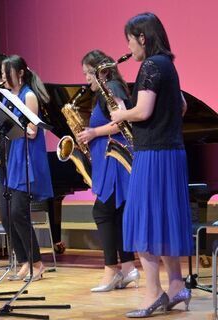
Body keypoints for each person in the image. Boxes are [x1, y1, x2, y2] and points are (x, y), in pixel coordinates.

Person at [110, 13, 193, 317]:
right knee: (165, 222)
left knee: (141, 221)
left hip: (152, 155)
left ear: (141, 38)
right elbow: (182, 106)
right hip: (172, 154)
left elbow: (143, 111)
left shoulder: (149, 66)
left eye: (129, 41)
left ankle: (152, 293)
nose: (129, 47)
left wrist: (121, 114)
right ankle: (176, 286)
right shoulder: (168, 65)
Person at [77, 50, 139, 292]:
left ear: (98, 71)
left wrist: (93, 133)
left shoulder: (110, 87)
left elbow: (122, 121)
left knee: (102, 212)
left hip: (115, 161)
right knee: (115, 214)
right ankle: (127, 268)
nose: (86, 79)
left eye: (87, 74)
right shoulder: (109, 88)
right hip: (109, 159)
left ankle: (112, 270)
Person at [0, 54, 53, 281]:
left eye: (5, 72)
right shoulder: (5, 97)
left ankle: (37, 263)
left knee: (18, 213)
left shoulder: (28, 95)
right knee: (6, 216)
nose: (2, 76)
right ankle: (23, 261)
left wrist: (11, 119)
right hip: (8, 157)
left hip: (24, 157)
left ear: (19, 74)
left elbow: (32, 131)